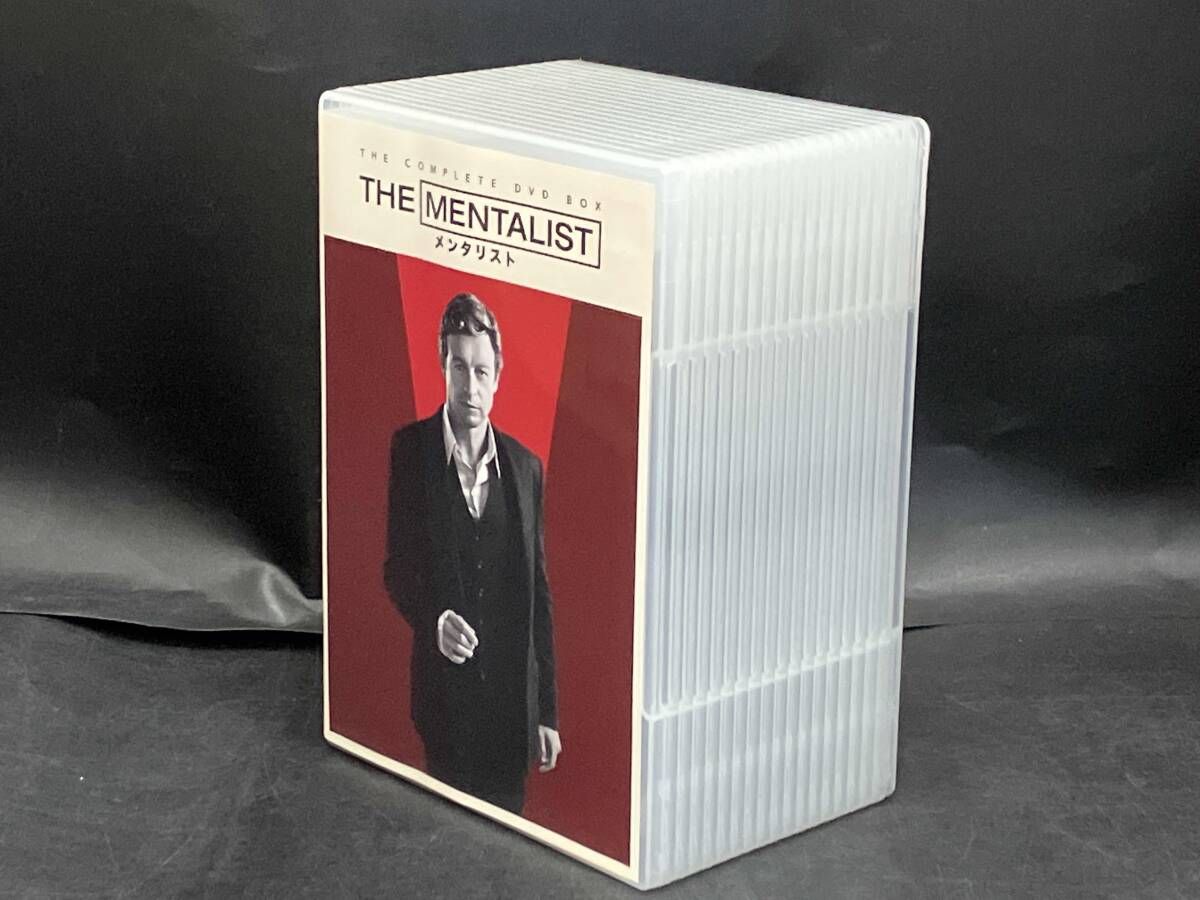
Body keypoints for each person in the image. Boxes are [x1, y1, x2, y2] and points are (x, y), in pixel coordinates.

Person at [383, 292, 561, 815]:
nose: (470, 386)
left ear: (498, 376)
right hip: (444, 707)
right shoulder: (410, 451)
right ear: (443, 366)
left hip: (512, 715)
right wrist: (433, 619)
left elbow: (538, 593)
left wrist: (547, 712)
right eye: (458, 367)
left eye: (481, 371)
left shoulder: (526, 468)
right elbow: (397, 568)